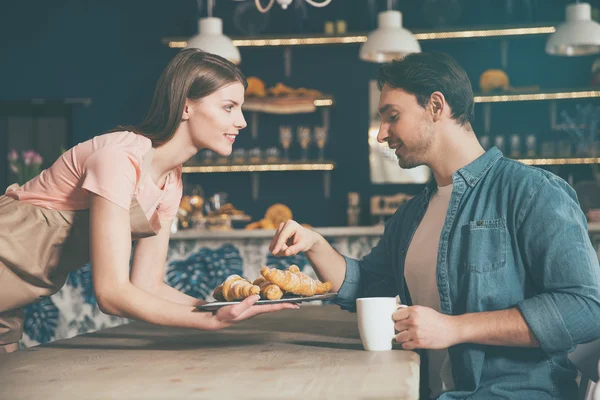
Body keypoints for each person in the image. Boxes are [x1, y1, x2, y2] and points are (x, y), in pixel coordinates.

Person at [269, 52, 600, 399]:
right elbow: (367, 285)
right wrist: (315, 245)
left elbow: (584, 308)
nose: (382, 134)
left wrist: (454, 329)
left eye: (392, 117)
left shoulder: (531, 192)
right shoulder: (410, 215)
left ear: (436, 106)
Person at [0, 49, 298, 354]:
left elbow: (147, 286)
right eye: (229, 107)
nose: (242, 122)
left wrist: (220, 307)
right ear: (185, 107)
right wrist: (209, 322)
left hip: (16, 295)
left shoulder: (170, 181)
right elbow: (111, 293)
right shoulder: (119, 159)